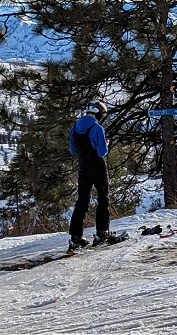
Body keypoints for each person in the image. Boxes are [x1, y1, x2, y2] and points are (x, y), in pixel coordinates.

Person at [68, 101, 115, 250]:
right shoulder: (97, 128)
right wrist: (106, 144)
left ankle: (76, 236)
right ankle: (102, 232)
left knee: (82, 200)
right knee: (103, 198)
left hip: (83, 167)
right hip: (98, 166)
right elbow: (102, 152)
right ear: (98, 113)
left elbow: (74, 150)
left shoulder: (74, 128)